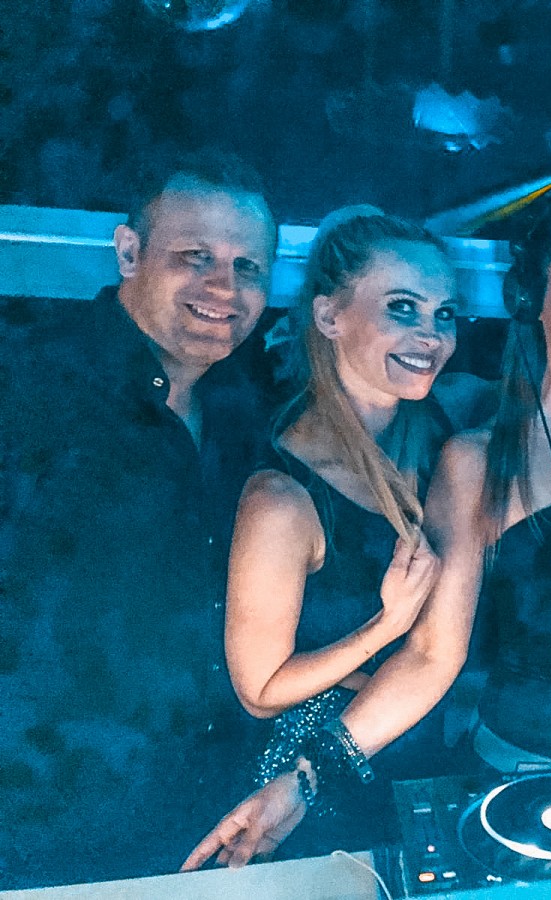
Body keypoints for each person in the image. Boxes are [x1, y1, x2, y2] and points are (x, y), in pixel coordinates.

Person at [183, 188, 551, 869]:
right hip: (490, 775)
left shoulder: (442, 422)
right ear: (534, 298)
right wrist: (303, 778)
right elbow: (427, 655)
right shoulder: (463, 459)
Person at [0, 150, 277, 887]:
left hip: (210, 813)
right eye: (196, 257)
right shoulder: (27, 388)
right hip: (45, 820)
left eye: (248, 267)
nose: (224, 288)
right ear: (129, 253)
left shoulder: (242, 409)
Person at [224, 209, 492, 851]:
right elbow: (260, 691)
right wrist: (386, 626)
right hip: (301, 787)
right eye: (402, 308)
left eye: (444, 314)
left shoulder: (440, 436)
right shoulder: (282, 498)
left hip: (419, 759)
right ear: (329, 316)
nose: (431, 335)